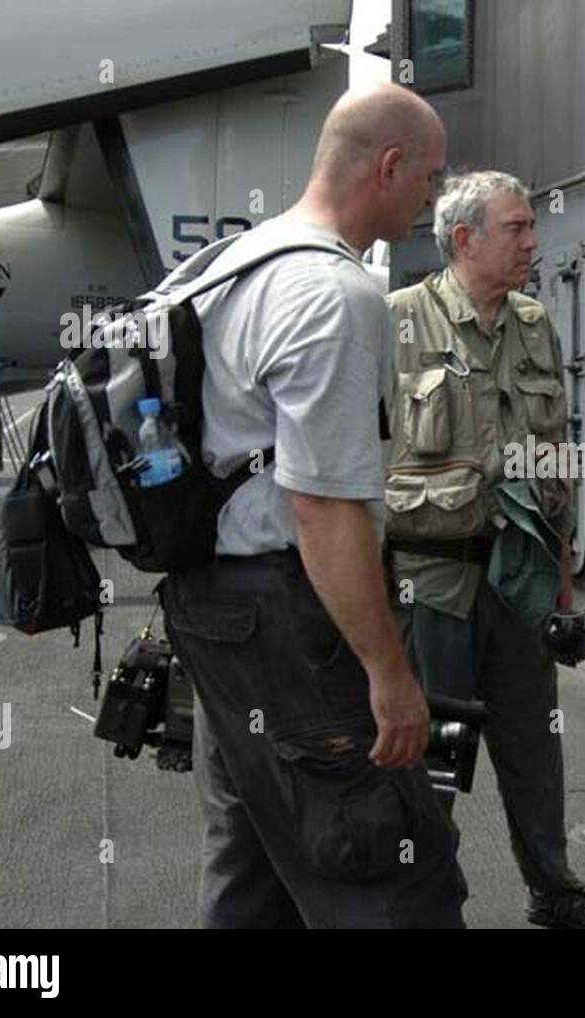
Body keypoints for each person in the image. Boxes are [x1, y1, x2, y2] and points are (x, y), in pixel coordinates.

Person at [160, 83, 467, 928]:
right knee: (388, 869)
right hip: (290, 621)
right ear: (390, 165)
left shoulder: (232, 263)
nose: (433, 198)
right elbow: (322, 511)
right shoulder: (336, 294)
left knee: (251, 858)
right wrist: (388, 675)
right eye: (431, 178)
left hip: (214, 610)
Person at [384, 170, 585, 930]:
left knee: (535, 748)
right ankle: (428, 900)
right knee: (437, 759)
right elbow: (355, 470)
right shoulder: (396, 320)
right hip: (434, 585)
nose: (534, 241)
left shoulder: (534, 323)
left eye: (531, 226)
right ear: (465, 240)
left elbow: (553, 461)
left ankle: (554, 891)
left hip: (519, 584)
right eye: (517, 228)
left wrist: (564, 592)